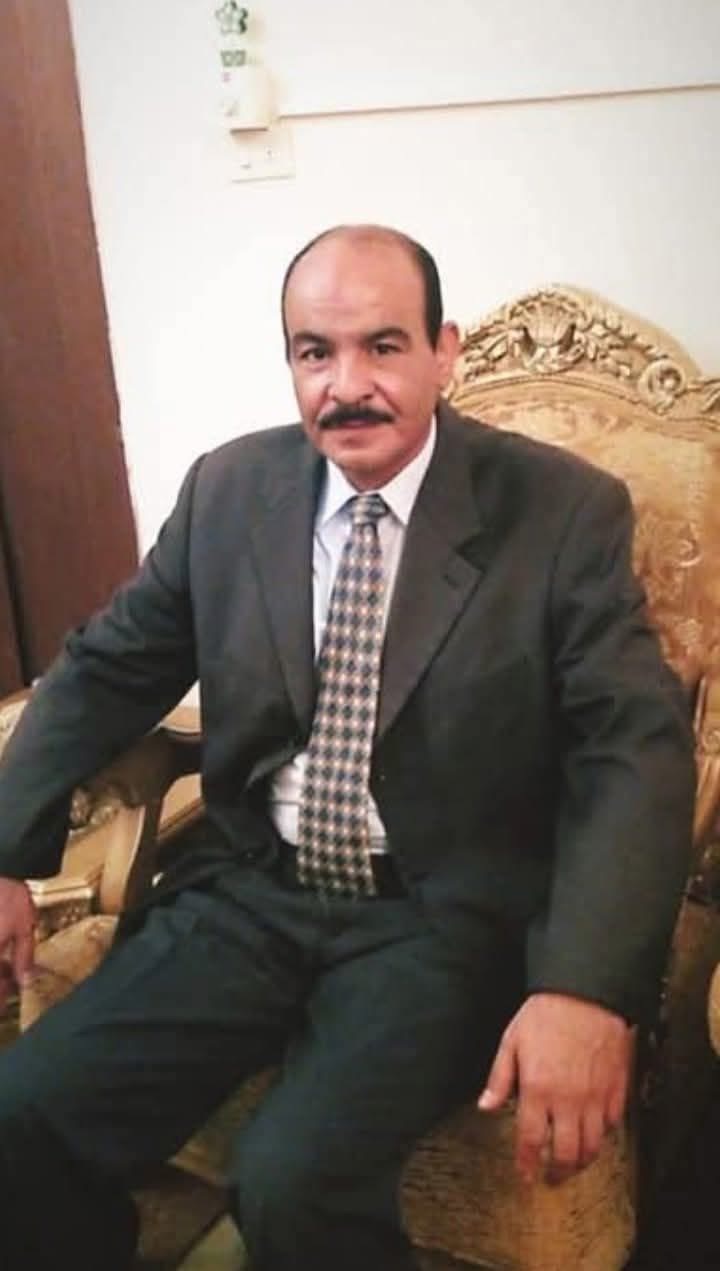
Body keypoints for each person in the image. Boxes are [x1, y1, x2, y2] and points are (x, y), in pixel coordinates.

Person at [0, 224, 695, 1271]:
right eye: (314, 352)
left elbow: (632, 749)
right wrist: (6, 846)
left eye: (383, 345)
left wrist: (586, 987)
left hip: (440, 915)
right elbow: (106, 668)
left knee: (294, 1182)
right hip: (250, 889)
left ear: (444, 351)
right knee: (21, 1113)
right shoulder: (230, 490)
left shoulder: (559, 511)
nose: (347, 385)